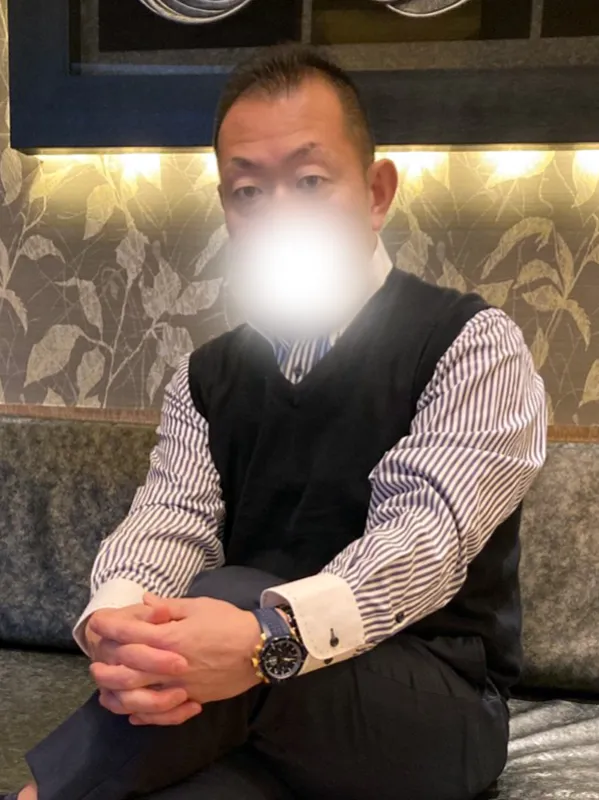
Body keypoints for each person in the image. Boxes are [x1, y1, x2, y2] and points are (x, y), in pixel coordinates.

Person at [4, 44, 546, 800]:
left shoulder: (470, 344)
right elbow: (169, 517)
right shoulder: (207, 376)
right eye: (248, 191)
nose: (279, 212)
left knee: (229, 591)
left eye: (311, 180)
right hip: (248, 702)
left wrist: (267, 638)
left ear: (376, 192)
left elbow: (425, 539)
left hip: (428, 703)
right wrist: (117, 623)